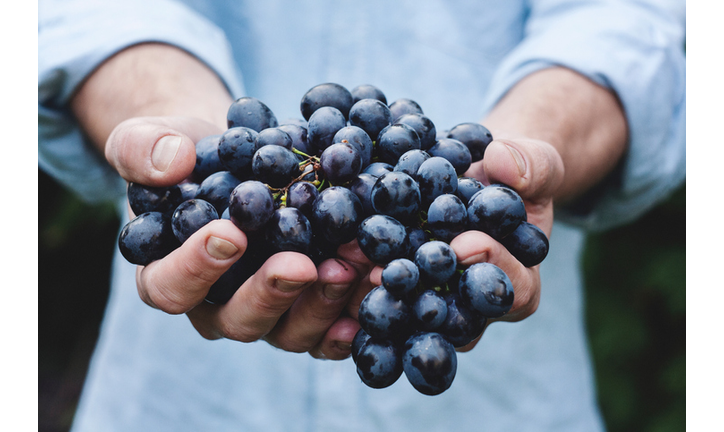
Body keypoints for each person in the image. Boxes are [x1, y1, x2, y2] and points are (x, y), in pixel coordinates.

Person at [38, 1, 686, 431]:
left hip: (502, 403)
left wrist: (530, 145)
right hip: (182, 402)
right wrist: (167, 122)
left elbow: (628, 21)